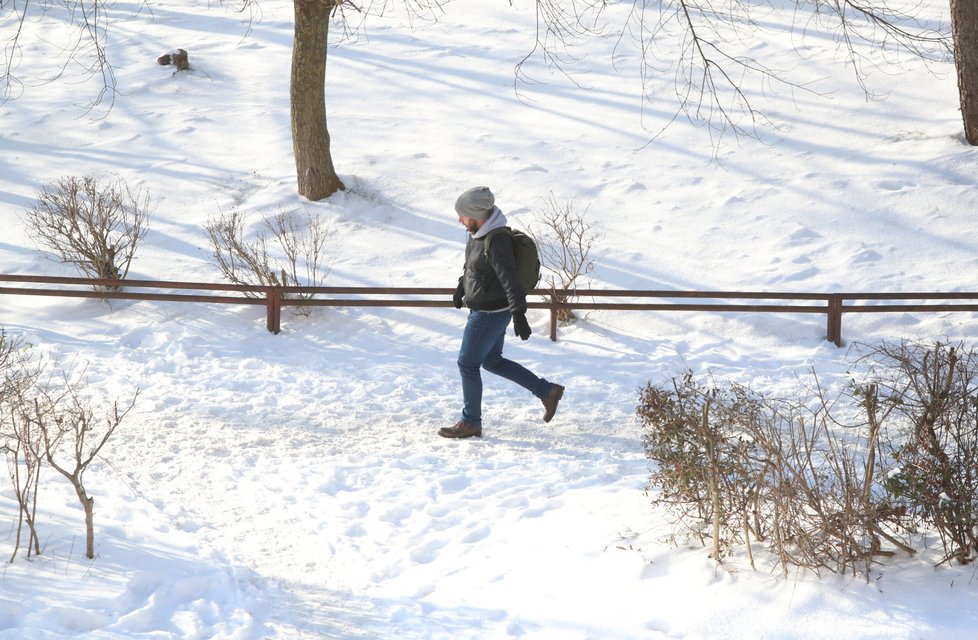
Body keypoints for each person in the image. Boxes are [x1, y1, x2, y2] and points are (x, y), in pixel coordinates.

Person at [440, 186, 564, 439]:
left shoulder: (497, 240)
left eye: (463, 215)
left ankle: (471, 422)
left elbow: (509, 279)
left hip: (489, 314)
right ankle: (546, 391)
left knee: (467, 364)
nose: (460, 220)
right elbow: (473, 267)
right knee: (492, 362)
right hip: (486, 310)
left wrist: (519, 313)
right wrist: (461, 286)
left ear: (477, 214)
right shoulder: (478, 235)